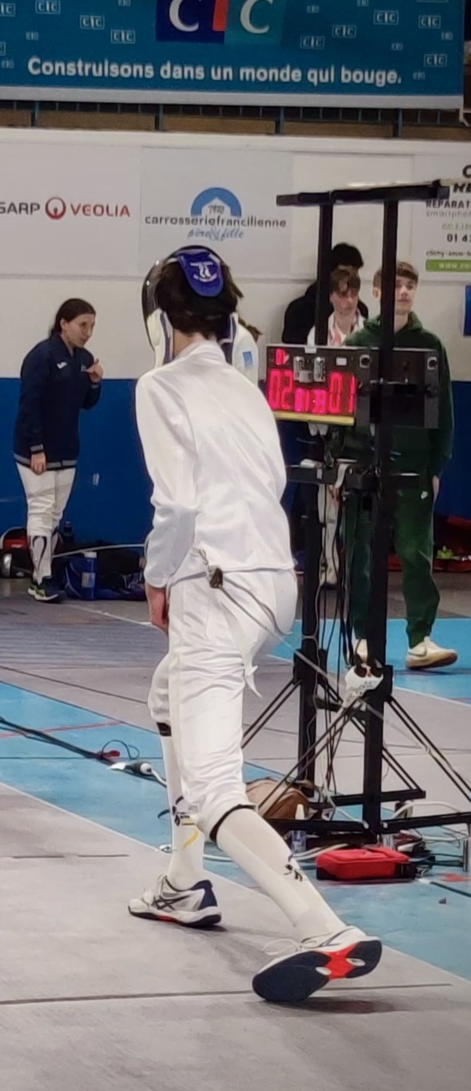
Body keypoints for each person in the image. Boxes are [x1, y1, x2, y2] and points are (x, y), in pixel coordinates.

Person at [127, 244, 382, 1004]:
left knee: (214, 788)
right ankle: (183, 880)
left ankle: (324, 929)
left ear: (160, 322)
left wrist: (156, 576)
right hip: (276, 586)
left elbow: (177, 504)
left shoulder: (159, 386)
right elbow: (271, 480)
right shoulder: (246, 388)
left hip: (216, 589)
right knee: (168, 695)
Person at [338, 262, 456, 671]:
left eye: (409, 286)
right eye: (396, 285)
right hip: (364, 464)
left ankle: (420, 639)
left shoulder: (430, 344)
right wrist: (342, 464)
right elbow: (341, 411)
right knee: (360, 555)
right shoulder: (357, 343)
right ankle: (362, 637)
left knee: (416, 553)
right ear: (376, 293)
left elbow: (444, 412)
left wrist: (437, 467)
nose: (403, 292)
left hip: (415, 466)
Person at [13, 300, 103, 602]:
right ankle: (42, 578)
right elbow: (29, 405)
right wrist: (36, 449)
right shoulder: (41, 357)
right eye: (82, 325)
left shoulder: (84, 359)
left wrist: (95, 383)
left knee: (55, 515)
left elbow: (86, 403)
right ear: (63, 324)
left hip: (66, 450)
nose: (87, 332)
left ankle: (42, 573)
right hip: (35, 451)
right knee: (40, 509)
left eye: (91, 326)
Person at [307, 267, 366, 585]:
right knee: (327, 506)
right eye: (342, 295)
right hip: (328, 428)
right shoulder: (317, 334)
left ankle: (358, 570)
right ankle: (330, 566)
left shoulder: (370, 333)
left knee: (359, 507)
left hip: (361, 429)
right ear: (331, 297)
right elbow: (311, 381)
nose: (348, 301)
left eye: (353, 294)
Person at [282, 242, 369, 344]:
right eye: (344, 275)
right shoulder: (300, 311)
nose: (350, 280)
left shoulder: (361, 311)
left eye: (355, 275)